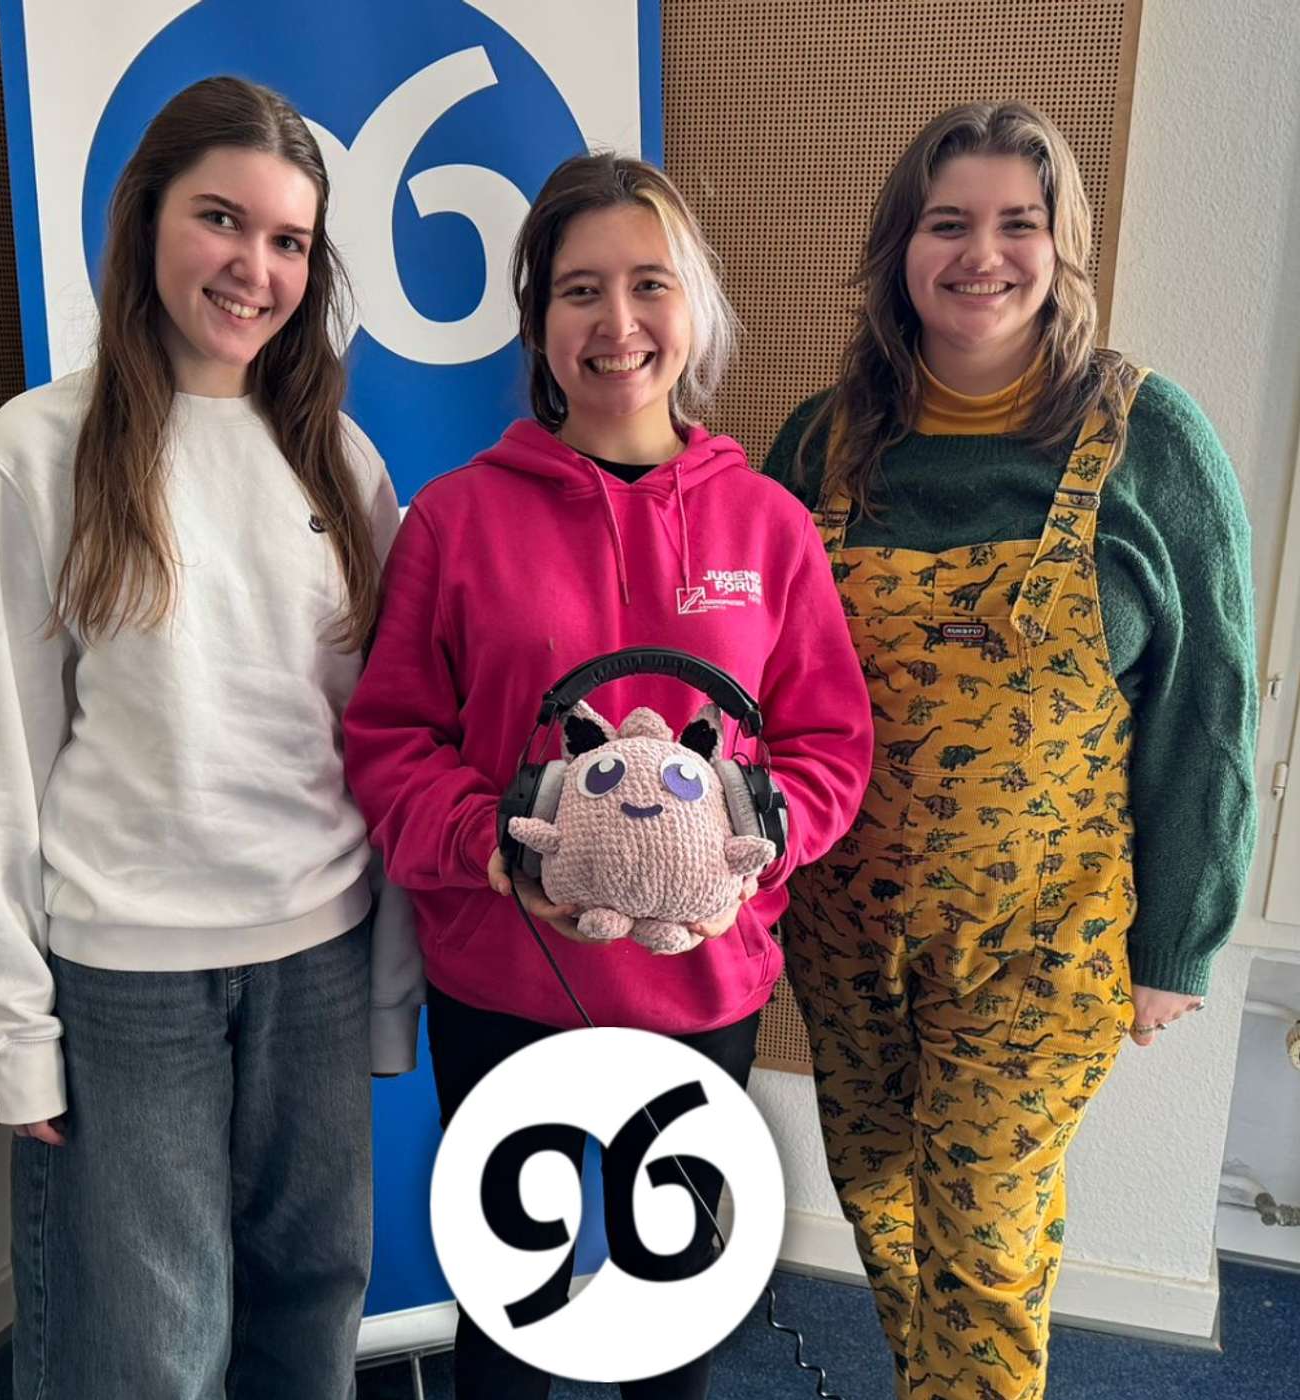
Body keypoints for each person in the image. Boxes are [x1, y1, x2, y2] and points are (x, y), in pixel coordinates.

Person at [343, 152, 872, 1400]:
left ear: (692, 307)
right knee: (510, 1308)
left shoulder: (767, 526)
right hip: (501, 981)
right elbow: (389, 739)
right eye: (579, 290)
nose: (616, 321)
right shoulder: (456, 520)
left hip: (700, 989)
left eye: (648, 284)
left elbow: (827, 744)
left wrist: (759, 830)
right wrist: (489, 842)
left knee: (665, 1315)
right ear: (536, 321)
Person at [764, 101, 1258, 1400]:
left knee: (981, 1232)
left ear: (1062, 246)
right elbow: (762, 681)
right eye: (947, 223)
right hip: (843, 930)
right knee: (885, 1208)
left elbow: (1209, 706)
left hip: (1045, 938)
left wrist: (1178, 940)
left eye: (1016, 224)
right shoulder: (818, 441)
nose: (981, 254)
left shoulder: (1152, 442)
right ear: (899, 249)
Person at [0, 76, 420, 1400]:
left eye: (288, 240)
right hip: (126, 982)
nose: (254, 268)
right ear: (147, 214)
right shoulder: (40, 447)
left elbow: (381, 745)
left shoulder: (343, 464)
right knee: (144, 1354)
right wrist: (11, 1028)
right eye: (221, 219)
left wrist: (388, 988)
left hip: (317, 964)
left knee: (310, 1315)